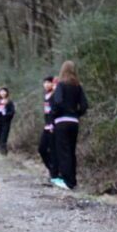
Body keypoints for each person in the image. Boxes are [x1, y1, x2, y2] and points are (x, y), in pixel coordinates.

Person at [50, 61, 88, 190]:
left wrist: (55, 114)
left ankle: (67, 181)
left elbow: (58, 101)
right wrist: (76, 114)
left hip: (62, 122)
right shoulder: (78, 86)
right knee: (71, 151)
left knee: (63, 151)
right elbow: (84, 105)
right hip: (74, 122)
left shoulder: (61, 85)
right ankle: (73, 180)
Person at [38, 76, 57, 181]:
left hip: (54, 127)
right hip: (47, 126)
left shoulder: (55, 96)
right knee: (41, 149)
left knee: (53, 150)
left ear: (52, 84)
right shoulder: (46, 95)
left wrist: (52, 124)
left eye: (48, 82)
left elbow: (55, 112)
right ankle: (51, 169)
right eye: (44, 82)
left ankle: (54, 174)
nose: (46, 84)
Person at [0, 87, 15, 155]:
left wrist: (5, 114)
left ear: (7, 93)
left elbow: (12, 112)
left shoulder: (9, 102)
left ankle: (3, 152)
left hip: (6, 122)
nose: (2, 93)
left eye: (4, 92)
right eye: (1, 92)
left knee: (4, 137)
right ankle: (0, 151)